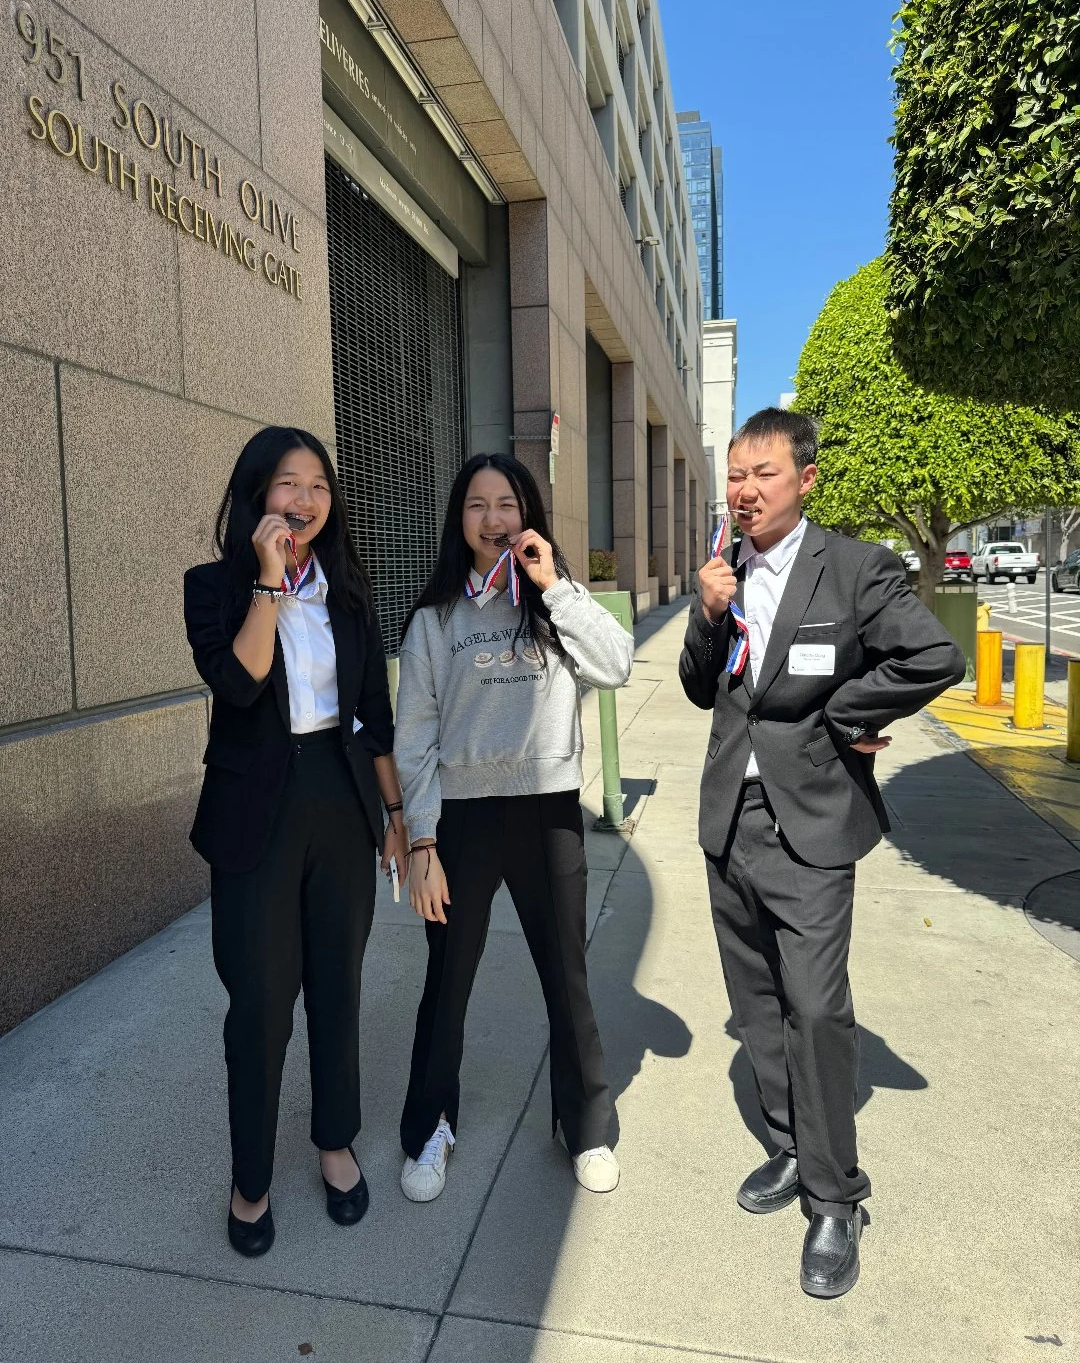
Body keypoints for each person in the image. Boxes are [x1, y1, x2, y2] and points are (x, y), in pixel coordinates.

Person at [679, 408, 964, 1299]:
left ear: (805, 479)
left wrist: (851, 715)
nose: (746, 489)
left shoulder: (853, 567)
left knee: (816, 1007)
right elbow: (701, 688)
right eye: (736, 473)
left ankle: (837, 1200)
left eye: (763, 472)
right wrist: (705, 613)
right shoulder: (726, 570)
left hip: (810, 826)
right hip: (732, 819)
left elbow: (933, 656)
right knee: (756, 1001)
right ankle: (790, 1147)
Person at [184, 427, 406, 1257]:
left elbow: (373, 717)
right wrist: (269, 586)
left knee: (338, 988)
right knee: (261, 1008)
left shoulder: (349, 594)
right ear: (257, 495)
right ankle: (251, 1179)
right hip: (257, 818)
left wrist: (396, 818)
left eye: (319, 484)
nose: (306, 499)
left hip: (339, 803)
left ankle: (335, 1142)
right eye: (288, 483)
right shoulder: (212, 589)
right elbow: (240, 686)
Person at [394, 453, 634, 1203]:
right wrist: (423, 842)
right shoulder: (435, 620)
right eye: (476, 505)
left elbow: (618, 664)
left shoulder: (554, 604)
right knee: (448, 983)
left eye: (507, 505)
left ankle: (585, 1126)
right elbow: (415, 736)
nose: (493, 519)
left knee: (567, 977)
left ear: (526, 515)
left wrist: (555, 585)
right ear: (457, 520)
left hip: (548, 811)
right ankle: (431, 1125)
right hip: (462, 821)